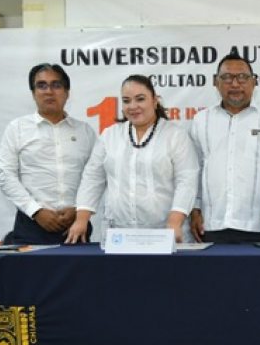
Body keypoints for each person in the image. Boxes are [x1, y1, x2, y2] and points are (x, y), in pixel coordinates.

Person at [65, 75, 198, 244]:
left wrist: (175, 221)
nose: (133, 106)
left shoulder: (175, 135)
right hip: (120, 237)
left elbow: (187, 180)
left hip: (166, 234)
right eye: (126, 101)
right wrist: (82, 218)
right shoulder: (110, 135)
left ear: (155, 101)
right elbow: (92, 178)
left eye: (140, 99)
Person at [0, 63, 97, 244]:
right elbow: (6, 176)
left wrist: (78, 209)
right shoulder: (17, 128)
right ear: (33, 93)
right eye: (41, 85)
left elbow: (95, 178)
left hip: (75, 227)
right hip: (31, 225)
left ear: (67, 92)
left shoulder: (85, 132)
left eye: (56, 85)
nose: (49, 91)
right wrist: (36, 211)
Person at [188, 53, 260, 244]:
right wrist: (194, 209)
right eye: (227, 78)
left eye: (243, 77)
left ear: (254, 82)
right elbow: (194, 170)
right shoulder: (201, 120)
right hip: (212, 224)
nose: (235, 84)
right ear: (216, 82)